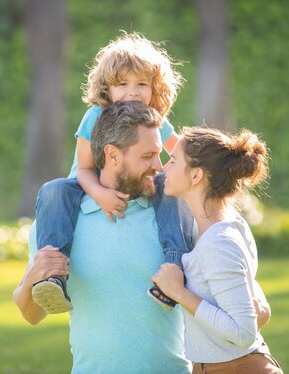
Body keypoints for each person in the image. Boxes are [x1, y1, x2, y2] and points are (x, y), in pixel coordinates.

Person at [13, 101, 192, 373]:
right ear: (112, 155)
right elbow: (32, 314)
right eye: (147, 156)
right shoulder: (58, 222)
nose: (159, 166)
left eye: (159, 154)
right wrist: (31, 278)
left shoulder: (176, 216)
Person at [31, 31, 189, 314]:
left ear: (155, 88)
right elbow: (84, 169)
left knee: (168, 186)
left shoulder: (153, 120)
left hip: (138, 181)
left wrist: (193, 165)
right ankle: (53, 276)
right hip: (86, 183)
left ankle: (175, 266)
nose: (132, 91)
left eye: (142, 84)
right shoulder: (95, 116)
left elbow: (179, 151)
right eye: (123, 84)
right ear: (108, 88)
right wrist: (100, 194)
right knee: (54, 189)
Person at [152, 127, 284, 373]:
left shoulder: (218, 241)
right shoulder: (224, 226)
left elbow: (243, 332)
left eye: (172, 160)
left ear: (195, 176)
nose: (163, 167)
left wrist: (179, 293)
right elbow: (249, 296)